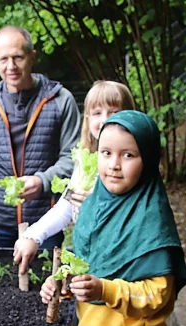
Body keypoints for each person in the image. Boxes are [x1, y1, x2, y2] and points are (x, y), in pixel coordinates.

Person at [39, 111, 186, 326]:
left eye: (128, 155)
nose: (114, 165)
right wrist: (61, 284)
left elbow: (159, 296)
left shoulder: (150, 217)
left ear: (147, 159)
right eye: (106, 153)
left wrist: (104, 289)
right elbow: (83, 263)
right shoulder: (95, 203)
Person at [0, 26, 80, 249]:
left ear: (32, 57)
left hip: (47, 221)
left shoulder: (60, 100)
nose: (11, 66)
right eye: (3, 59)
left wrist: (42, 181)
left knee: (47, 273)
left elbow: (73, 157)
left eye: (18, 57)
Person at [13, 81, 132, 273]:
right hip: (90, 255)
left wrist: (98, 206)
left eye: (114, 112)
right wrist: (33, 235)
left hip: (121, 261)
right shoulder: (85, 160)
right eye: (97, 113)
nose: (104, 120)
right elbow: (67, 206)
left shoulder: (131, 163)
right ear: (88, 119)